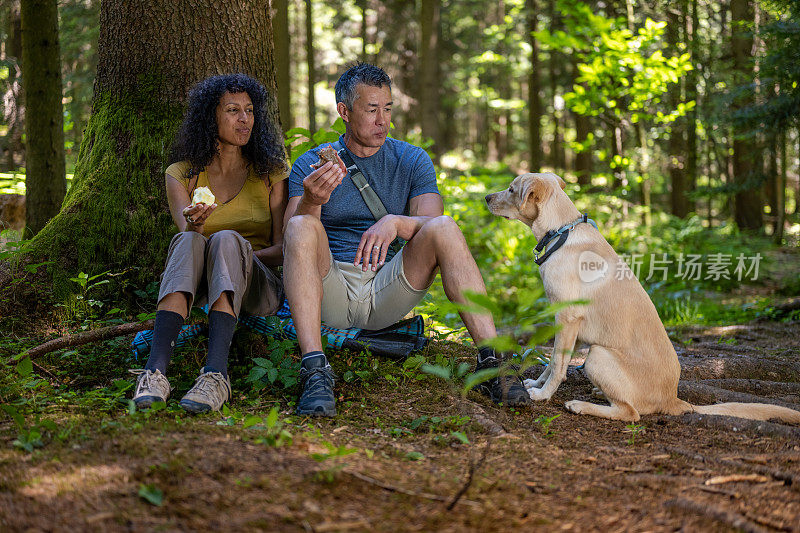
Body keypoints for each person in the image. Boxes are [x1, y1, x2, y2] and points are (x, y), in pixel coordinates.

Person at [283, 63, 530, 417]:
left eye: (387, 109)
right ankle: (315, 370)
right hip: (328, 287)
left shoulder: (412, 160)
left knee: (444, 225)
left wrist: (396, 222)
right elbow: (292, 239)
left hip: (388, 287)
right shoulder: (310, 163)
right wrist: (312, 201)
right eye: (371, 110)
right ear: (344, 111)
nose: (382, 120)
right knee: (300, 225)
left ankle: (491, 361)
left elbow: (430, 223)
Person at [131, 73, 288, 413]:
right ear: (210, 117)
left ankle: (216, 374)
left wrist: (234, 255)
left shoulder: (270, 172)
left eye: (249, 110)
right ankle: (155, 372)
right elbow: (188, 247)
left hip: (258, 288)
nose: (244, 118)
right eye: (233, 110)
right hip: (200, 287)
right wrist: (196, 228)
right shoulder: (182, 174)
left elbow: (283, 250)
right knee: (186, 241)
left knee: (227, 241)